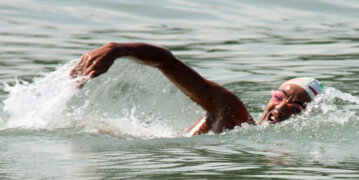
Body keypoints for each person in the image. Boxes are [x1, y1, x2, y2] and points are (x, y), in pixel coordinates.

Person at [70, 42, 324, 136]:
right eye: (280, 96)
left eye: (295, 105)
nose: (280, 107)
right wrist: (118, 50)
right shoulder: (233, 113)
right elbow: (167, 60)